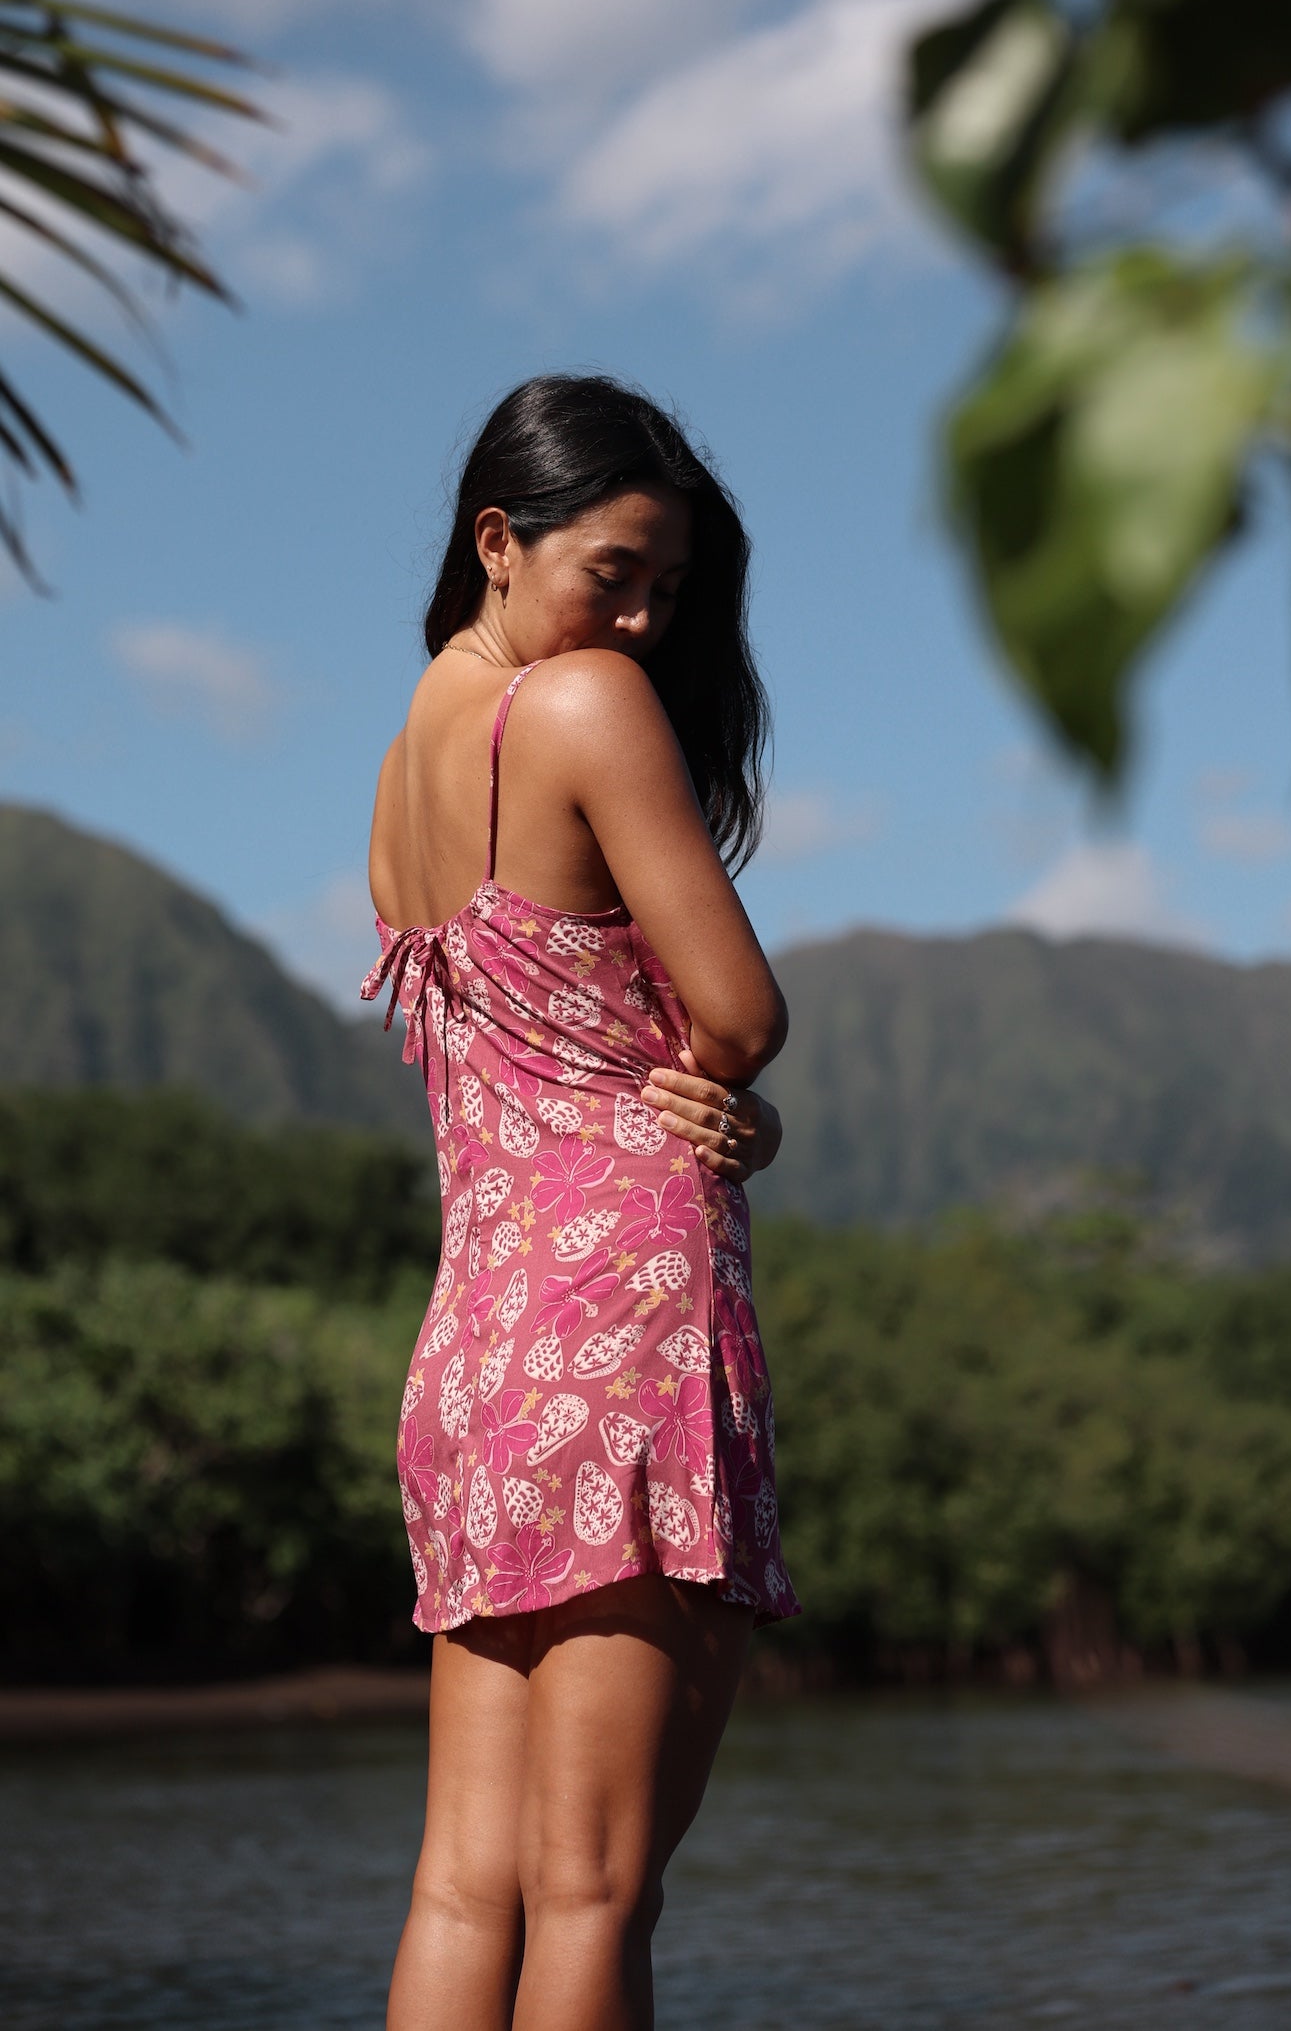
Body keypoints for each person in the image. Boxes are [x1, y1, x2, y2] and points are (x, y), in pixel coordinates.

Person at [362, 374, 799, 2030]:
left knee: (469, 1883)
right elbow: (738, 1013)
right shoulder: (585, 706)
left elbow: (534, 1036)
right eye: (615, 570)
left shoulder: (414, 742)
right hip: (622, 1331)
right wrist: (729, 1087)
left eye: (666, 590)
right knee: (601, 1894)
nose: (638, 614)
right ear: (498, 539)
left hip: (479, 1351)